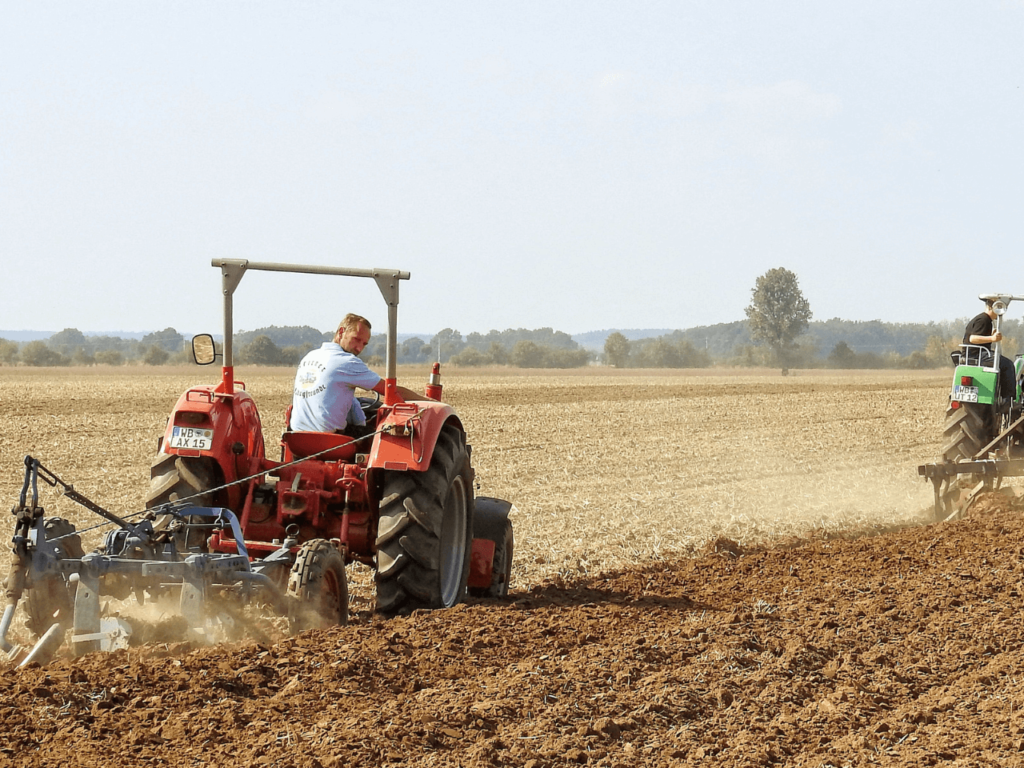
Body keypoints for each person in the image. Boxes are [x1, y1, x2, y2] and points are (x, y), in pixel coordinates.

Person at [290, 313, 425, 435]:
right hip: (332, 439)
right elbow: (390, 391)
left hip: (297, 437)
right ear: (341, 332)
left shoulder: (309, 356)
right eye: (356, 339)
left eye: (364, 344)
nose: (359, 348)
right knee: (380, 434)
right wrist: (427, 401)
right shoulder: (347, 361)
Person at [963, 298, 1016, 401]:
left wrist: (990, 336)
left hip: (975, 354)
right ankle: (1008, 400)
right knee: (1008, 365)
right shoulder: (984, 319)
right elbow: (972, 338)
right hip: (977, 356)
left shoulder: (982, 319)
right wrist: (992, 338)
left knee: (1001, 362)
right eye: (998, 308)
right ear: (991, 307)